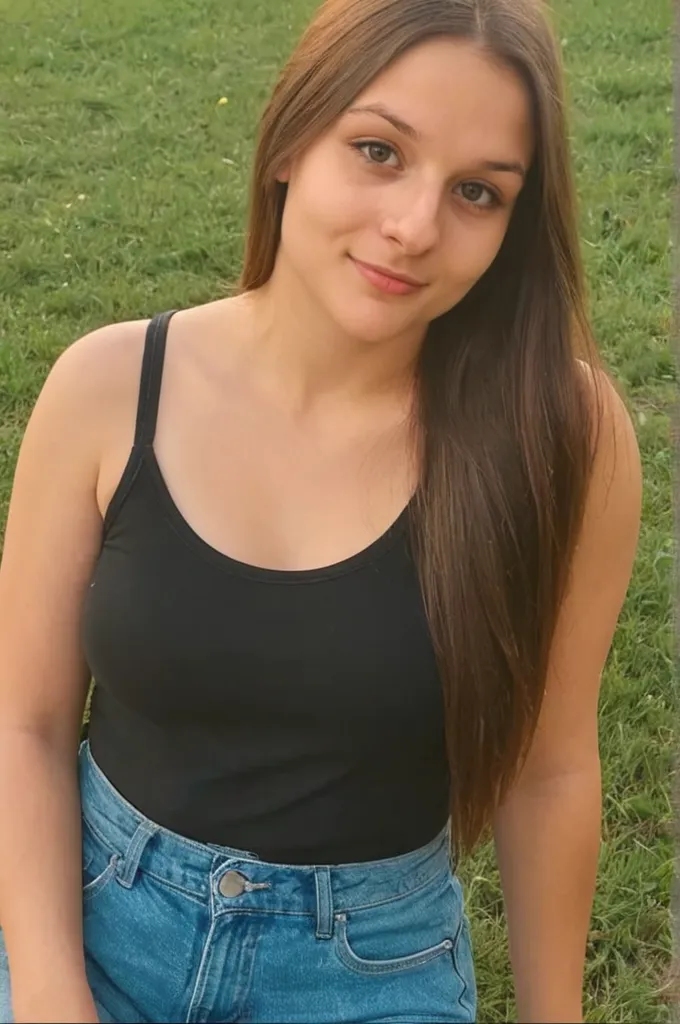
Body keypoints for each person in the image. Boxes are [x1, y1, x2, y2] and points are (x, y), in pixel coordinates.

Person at [0, 0, 642, 1021]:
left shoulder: (562, 434)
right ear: (293, 138)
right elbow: (25, 724)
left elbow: (549, 769)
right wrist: (47, 991)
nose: (414, 227)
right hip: (95, 921)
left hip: (367, 969)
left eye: (476, 191)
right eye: (379, 151)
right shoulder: (110, 386)